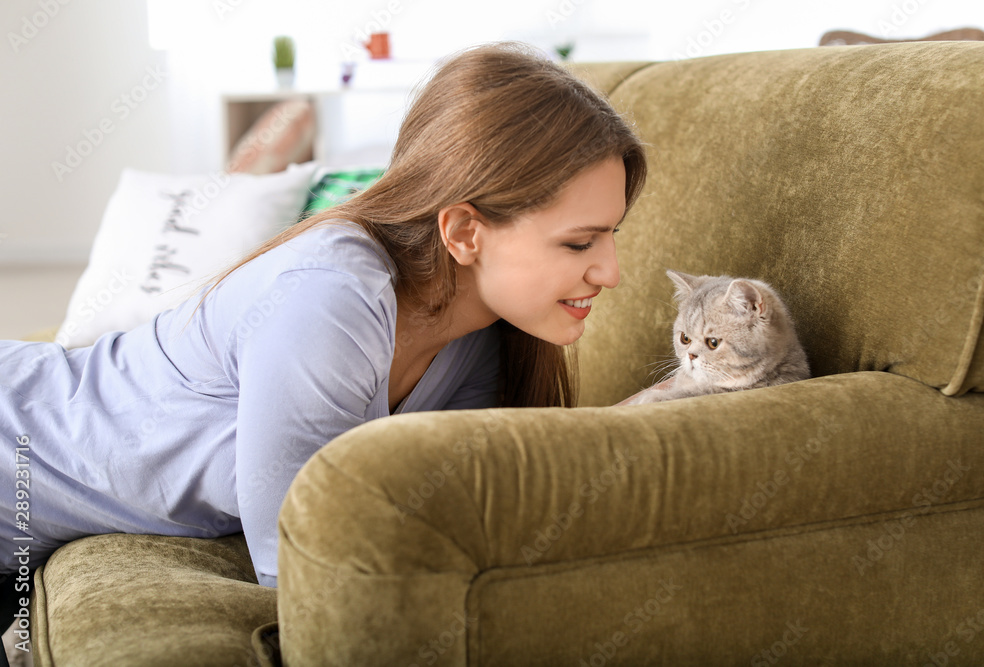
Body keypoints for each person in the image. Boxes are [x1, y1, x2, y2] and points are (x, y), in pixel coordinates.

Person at [0, 40, 647, 610]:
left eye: (610, 236)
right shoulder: (331, 297)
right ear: (464, 231)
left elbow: (465, 523)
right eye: (579, 243)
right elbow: (300, 580)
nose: (611, 272)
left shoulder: (476, 341)